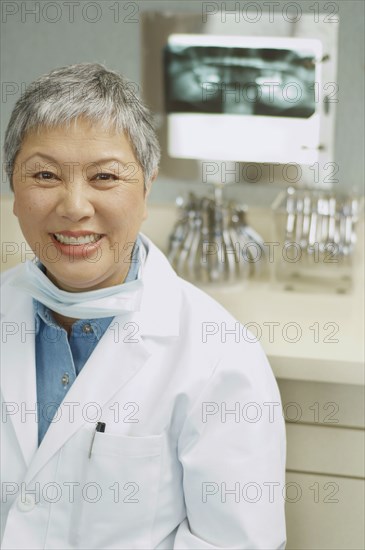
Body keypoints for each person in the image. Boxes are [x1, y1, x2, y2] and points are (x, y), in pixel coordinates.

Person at [1, 63, 286, 550]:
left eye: (105, 176)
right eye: (45, 174)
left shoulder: (219, 356)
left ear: (147, 187)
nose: (73, 206)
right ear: (13, 187)